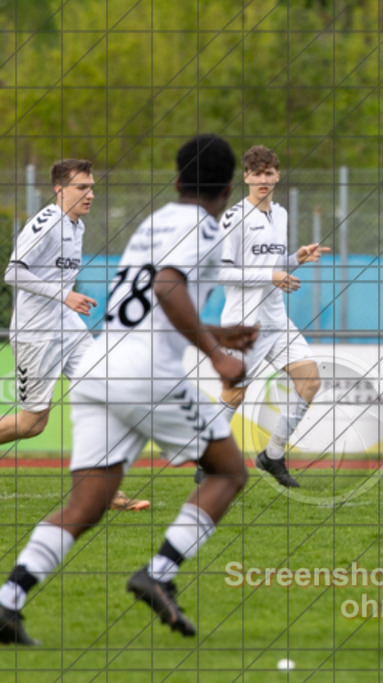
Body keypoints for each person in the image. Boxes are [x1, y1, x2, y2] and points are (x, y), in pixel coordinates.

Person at [0, 134, 259, 645]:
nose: (89, 194)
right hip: (138, 372)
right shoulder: (205, 227)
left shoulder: (155, 221)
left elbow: (150, 294)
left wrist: (216, 335)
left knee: (87, 503)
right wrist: (217, 354)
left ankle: (8, 602)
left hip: (99, 362)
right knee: (228, 471)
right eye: (82, 186)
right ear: (229, 188)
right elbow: (166, 286)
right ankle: (158, 573)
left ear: (179, 180)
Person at [2, 159, 148, 512]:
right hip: (36, 334)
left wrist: (66, 302)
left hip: (68, 327)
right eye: (82, 187)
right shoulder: (47, 223)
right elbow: (12, 274)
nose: (90, 194)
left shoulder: (76, 226)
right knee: (32, 423)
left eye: (92, 187)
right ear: (59, 189)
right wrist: (63, 294)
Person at [203, 145, 327, 488]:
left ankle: (272, 457)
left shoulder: (281, 214)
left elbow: (270, 266)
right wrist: (272, 276)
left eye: (269, 173)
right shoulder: (234, 217)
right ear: (245, 177)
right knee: (235, 395)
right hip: (244, 322)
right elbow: (222, 273)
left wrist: (295, 259)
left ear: (277, 176)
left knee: (310, 380)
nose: (263, 179)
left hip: (276, 319)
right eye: (256, 174)